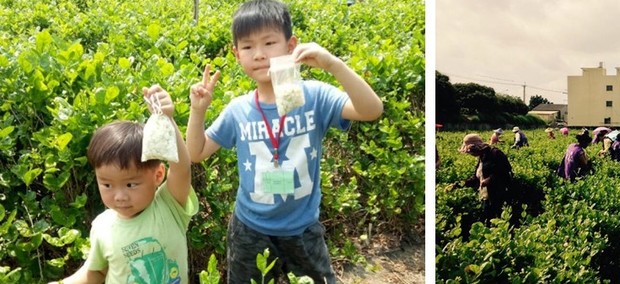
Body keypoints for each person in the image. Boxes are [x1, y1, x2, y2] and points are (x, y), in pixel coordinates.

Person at [184, 1, 385, 282]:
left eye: (269, 43)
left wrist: (333, 65)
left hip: (303, 230)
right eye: (248, 47)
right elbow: (197, 152)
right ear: (236, 54)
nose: (259, 55)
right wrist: (198, 109)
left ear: (291, 46)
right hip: (249, 230)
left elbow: (371, 110)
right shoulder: (238, 109)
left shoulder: (314, 96)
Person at [60, 88, 195, 283]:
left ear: (157, 175)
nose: (119, 196)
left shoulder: (169, 207)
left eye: (131, 184)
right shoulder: (102, 227)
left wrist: (167, 120)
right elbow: (96, 272)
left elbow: (182, 169)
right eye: (107, 185)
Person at [459, 134, 514, 222]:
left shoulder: (495, 153)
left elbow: (505, 171)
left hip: (498, 195)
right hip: (487, 196)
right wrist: (458, 184)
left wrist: (489, 179)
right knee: (487, 219)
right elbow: (475, 178)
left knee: (498, 220)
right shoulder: (482, 157)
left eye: (471, 151)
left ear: (476, 147)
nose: (471, 154)